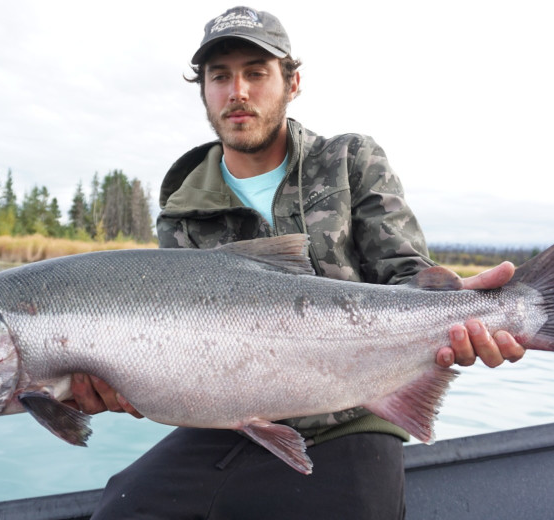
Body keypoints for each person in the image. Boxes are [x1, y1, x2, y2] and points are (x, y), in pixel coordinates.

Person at [72, 7, 526, 519]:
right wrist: (121, 385)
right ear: (204, 91)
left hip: (355, 410)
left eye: (256, 73)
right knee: (122, 508)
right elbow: (177, 340)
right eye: (220, 76)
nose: (237, 91)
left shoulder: (351, 160)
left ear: (292, 82)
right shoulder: (182, 207)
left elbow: (404, 274)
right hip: (232, 421)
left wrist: (457, 311)